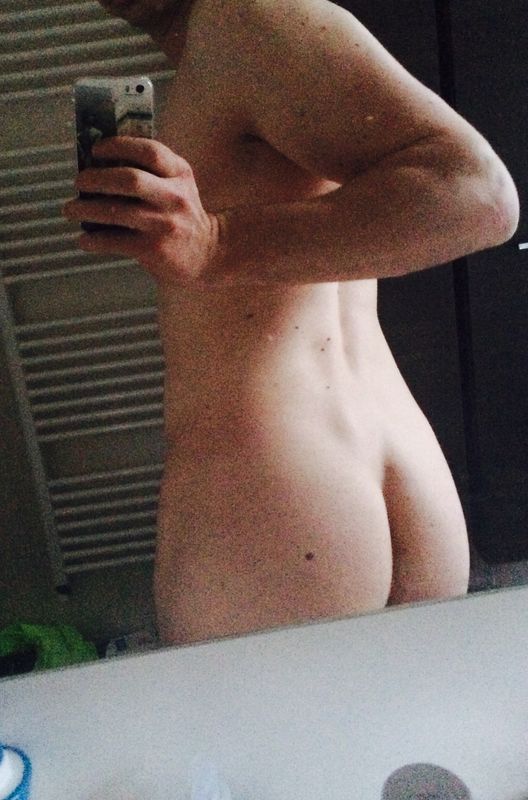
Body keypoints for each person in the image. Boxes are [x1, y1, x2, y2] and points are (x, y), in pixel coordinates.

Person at [63, 0, 519, 645]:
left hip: (277, 494)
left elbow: (477, 197)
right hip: (362, 468)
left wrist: (217, 244)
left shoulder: (247, 17)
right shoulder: (238, 43)